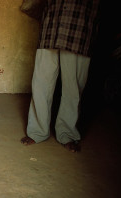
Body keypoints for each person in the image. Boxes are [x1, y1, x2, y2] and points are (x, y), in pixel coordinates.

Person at [21, 0, 100, 152]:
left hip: (78, 24)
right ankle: (38, 132)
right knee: (40, 84)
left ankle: (67, 134)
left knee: (73, 87)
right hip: (51, 25)